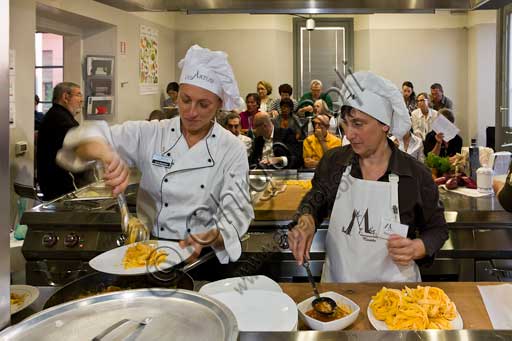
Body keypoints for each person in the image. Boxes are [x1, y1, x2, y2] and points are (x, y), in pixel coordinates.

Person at [57, 45, 254, 264]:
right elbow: (82, 139)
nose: (191, 112)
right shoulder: (151, 133)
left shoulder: (231, 148)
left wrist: (211, 236)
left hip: (202, 259)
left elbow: (238, 210)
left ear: (219, 104)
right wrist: (107, 155)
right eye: (185, 100)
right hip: (148, 252)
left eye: (203, 104)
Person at [288, 71, 448, 283]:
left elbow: (437, 228)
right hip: (339, 292)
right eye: (346, 123)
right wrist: (306, 218)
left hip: (398, 300)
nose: (349, 134)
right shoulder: (334, 163)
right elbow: (315, 200)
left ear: (385, 126)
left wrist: (419, 247)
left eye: (358, 124)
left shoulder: (415, 174)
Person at [37, 82, 93, 200]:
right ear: (65, 97)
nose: (81, 100)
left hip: (53, 185)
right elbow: (80, 148)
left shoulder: (56, 115)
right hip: (62, 188)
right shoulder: (61, 120)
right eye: (78, 95)